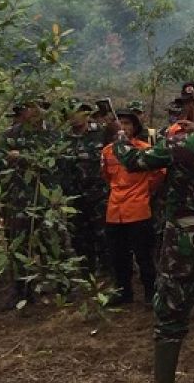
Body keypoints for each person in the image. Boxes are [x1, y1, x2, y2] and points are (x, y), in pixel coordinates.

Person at [111, 85, 194, 383]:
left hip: (181, 244)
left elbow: (134, 162)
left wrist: (120, 140)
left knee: (170, 316)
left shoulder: (180, 144)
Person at [0, 94, 60, 312]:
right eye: (28, 108)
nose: (32, 112)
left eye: (37, 107)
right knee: (18, 245)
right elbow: (0, 163)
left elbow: (53, 162)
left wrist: (23, 157)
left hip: (45, 199)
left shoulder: (53, 134)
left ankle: (56, 287)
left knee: (50, 243)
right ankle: (20, 289)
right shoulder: (10, 135)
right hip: (17, 200)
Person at [101, 108, 163, 306]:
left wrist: (143, 192)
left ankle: (150, 293)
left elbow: (158, 175)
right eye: (121, 124)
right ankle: (123, 292)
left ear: (135, 127)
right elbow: (106, 176)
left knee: (144, 255)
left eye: (128, 124)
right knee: (118, 256)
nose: (124, 128)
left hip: (138, 209)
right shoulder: (108, 151)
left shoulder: (145, 149)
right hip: (114, 210)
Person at [61, 98, 111, 278]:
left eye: (78, 112)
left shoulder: (101, 133)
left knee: (103, 234)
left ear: (86, 113)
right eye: (70, 113)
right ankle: (85, 272)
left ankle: (106, 270)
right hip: (74, 196)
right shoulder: (63, 139)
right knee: (79, 236)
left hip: (99, 194)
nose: (74, 116)